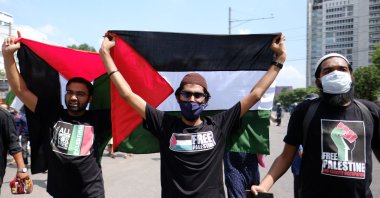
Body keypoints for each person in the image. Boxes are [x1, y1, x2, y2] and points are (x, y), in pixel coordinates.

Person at [100, 33, 286, 197]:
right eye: (186, 94)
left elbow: (255, 95)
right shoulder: (164, 123)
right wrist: (106, 55)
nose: (192, 99)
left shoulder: (219, 124)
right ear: (178, 97)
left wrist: (279, 60)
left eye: (198, 95)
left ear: (205, 100)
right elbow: (127, 94)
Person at [251, 53, 380, 198]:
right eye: (328, 71)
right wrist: (264, 185)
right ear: (318, 81)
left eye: (342, 69)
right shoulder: (305, 111)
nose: (336, 73)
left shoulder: (370, 111)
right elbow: (286, 157)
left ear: (351, 75)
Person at [2, 36, 111, 198]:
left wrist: (108, 55)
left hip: (91, 193)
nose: (73, 97)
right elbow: (21, 90)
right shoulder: (52, 113)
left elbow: (128, 96)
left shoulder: (100, 119)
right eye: (70, 92)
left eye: (80, 94)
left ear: (90, 98)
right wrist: (8, 56)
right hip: (59, 193)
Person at [0, 105, 29, 195]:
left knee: (24, 149)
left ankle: (26, 162)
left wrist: (22, 169)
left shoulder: (4, 116)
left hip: (25, 135)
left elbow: (13, 143)